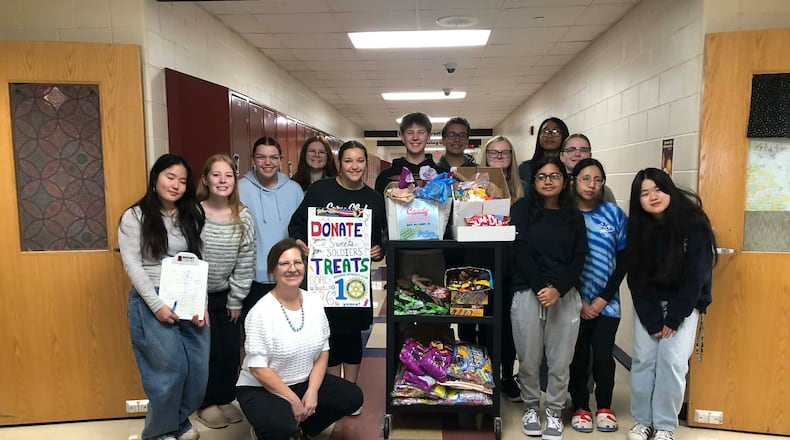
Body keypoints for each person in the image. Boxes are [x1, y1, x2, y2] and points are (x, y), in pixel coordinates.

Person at [288, 140, 386, 415]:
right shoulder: (320, 191)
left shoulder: (374, 199)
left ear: (366, 164)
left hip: (355, 279)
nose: (354, 166)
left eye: (359, 161)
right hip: (324, 278)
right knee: (326, 333)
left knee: (353, 334)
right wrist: (300, 241)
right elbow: (297, 224)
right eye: (348, 161)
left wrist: (379, 250)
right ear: (340, 164)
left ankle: (350, 393)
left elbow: (381, 237)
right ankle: (331, 390)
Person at [118, 153, 207, 440]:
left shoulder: (191, 214)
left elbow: (198, 259)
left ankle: (177, 423)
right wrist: (156, 305)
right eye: (170, 177)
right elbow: (132, 264)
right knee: (169, 371)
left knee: (197, 371)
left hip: (189, 296)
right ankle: (157, 434)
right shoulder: (135, 216)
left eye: (182, 181)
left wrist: (200, 303)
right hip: (152, 299)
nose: (176, 185)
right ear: (155, 177)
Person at [236, 238, 363, 440]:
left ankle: (302, 430)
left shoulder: (313, 301)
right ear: (273, 271)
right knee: (280, 426)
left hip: (302, 380)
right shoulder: (261, 311)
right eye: (284, 263)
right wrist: (293, 400)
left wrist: (312, 392)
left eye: (297, 262)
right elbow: (258, 368)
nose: (292, 269)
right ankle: (273, 429)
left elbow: (323, 351)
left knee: (352, 397)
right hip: (262, 387)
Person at [625, 168, 716, 440]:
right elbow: (636, 275)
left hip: (684, 305)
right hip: (649, 303)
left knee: (673, 362)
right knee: (644, 361)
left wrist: (674, 318)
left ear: (670, 190)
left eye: (659, 189)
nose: (653, 197)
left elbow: (696, 276)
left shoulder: (693, 223)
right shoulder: (637, 226)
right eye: (644, 193)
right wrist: (653, 319)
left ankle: (665, 426)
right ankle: (643, 422)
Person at [510, 156, 587, 440]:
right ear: (534, 181)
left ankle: (554, 410)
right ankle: (531, 406)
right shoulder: (521, 210)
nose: (547, 181)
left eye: (554, 176)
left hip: (564, 295)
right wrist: (542, 287)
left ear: (564, 181)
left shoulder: (574, 215)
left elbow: (579, 257)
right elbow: (519, 251)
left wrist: (558, 290)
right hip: (528, 292)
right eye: (542, 176)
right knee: (529, 358)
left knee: (560, 359)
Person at [195, 154, 256, 430]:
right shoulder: (194, 213)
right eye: (216, 175)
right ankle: (206, 402)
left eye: (228, 175)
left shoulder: (242, 215)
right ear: (206, 179)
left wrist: (236, 298)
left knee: (230, 349)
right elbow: (185, 256)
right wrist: (196, 300)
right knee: (206, 350)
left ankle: (225, 396)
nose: (222, 180)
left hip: (227, 293)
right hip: (197, 294)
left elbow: (246, 258)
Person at [567, 158, 627, 434]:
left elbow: (623, 259)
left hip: (607, 301)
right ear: (574, 181)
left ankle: (604, 406)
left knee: (603, 355)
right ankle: (580, 406)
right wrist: (579, 300)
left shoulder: (614, 215)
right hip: (572, 301)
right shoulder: (566, 216)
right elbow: (560, 262)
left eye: (598, 180)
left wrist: (604, 298)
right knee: (578, 355)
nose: (592, 185)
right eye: (585, 179)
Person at [479, 136, 524, 402]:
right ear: (485, 156)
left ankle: (507, 375)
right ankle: (482, 375)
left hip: (512, 266)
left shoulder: (523, 188)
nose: (498, 156)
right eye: (493, 152)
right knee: (482, 324)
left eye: (504, 152)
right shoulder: (473, 185)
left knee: (508, 325)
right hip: (482, 264)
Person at [239, 136, 304, 318]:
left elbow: (302, 229)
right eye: (261, 157)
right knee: (256, 334)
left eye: (273, 157)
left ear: (281, 160)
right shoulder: (239, 189)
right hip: (252, 277)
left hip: (288, 274)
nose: (267, 163)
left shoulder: (294, 190)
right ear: (253, 159)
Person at [374, 112, 448, 194]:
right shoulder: (386, 176)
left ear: (428, 136)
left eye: (421, 132)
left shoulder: (441, 175)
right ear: (402, 136)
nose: (415, 137)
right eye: (409, 132)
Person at [559, 134, 616, 203]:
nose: (577, 154)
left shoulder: (602, 191)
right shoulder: (554, 188)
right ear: (561, 156)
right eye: (571, 150)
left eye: (583, 150)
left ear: (590, 155)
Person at [518, 117, 570, 187]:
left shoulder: (568, 167)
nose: (549, 135)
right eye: (545, 131)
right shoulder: (525, 168)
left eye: (556, 132)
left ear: (563, 136)